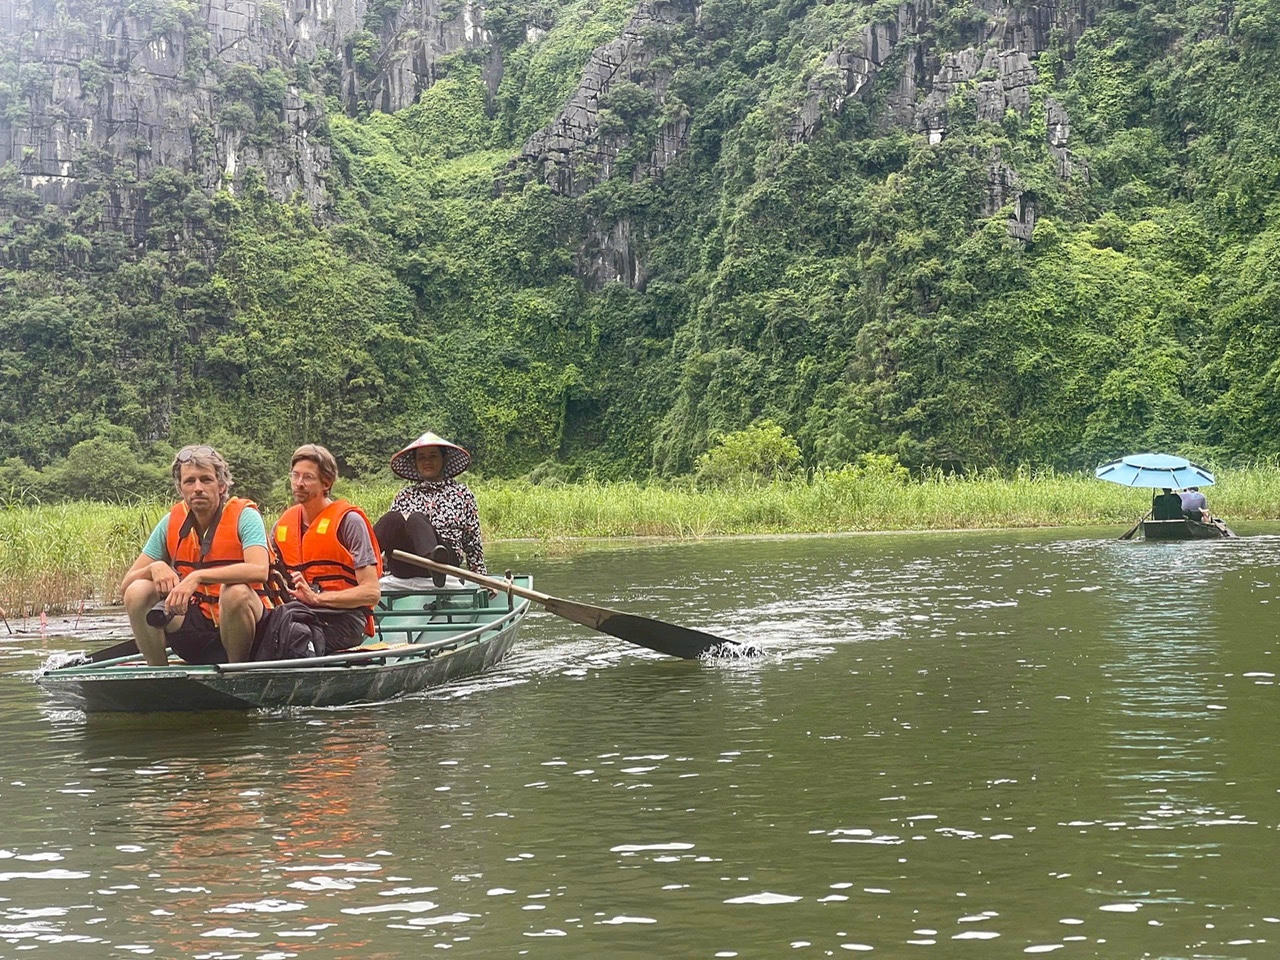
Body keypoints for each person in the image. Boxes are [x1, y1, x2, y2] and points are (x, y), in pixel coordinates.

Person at [120, 444, 272, 666]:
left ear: (221, 486)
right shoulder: (171, 522)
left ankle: (236, 674)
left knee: (235, 592)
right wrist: (154, 568)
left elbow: (260, 570)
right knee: (138, 590)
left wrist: (197, 577)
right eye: (189, 481)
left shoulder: (245, 516)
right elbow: (126, 584)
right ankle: (159, 674)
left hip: (251, 633)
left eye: (206, 479)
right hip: (196, 628)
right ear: (181, 489)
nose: (197, 488)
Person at [258, 445, 382, 659]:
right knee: (264, 629)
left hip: (344, 619)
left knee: (293, 635)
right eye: (295, 476)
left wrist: (316, 599)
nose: (299, 483)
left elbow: (371, 592)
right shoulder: (282, 526)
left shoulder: (349, 522)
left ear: (326, 483)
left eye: (308, 477)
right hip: (296, 615)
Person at [373, 431, 486, 586]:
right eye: (421, 457)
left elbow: (472, 544)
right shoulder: (405, 496)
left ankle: (433, 562)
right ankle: (356, 564)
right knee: (392, 518)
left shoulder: (462, 494)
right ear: (415, 462)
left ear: (443, 459)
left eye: (433, 456)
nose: (427, 461)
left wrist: (482, 580)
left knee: (416, 519)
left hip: (444, 563)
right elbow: (391, 536)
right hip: (406, 562)